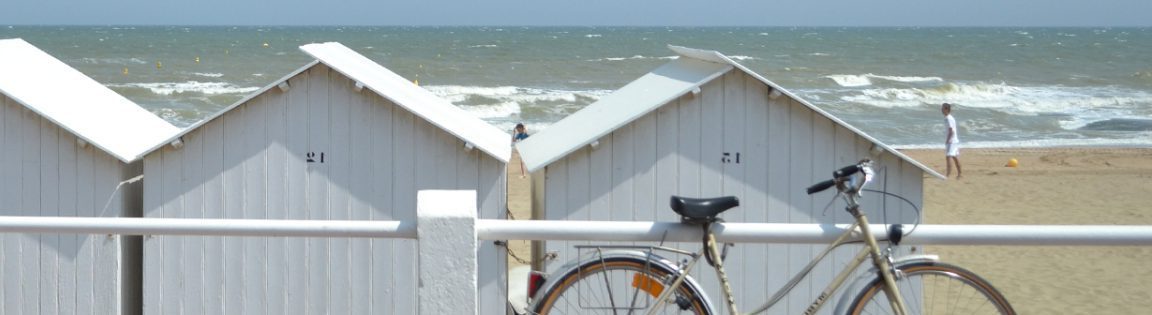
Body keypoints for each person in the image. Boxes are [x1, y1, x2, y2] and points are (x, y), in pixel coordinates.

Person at [942, 103, 962, 179]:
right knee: (954, 157)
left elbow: (951, 131)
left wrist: (948, 140)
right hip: (954, 140)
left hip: (952, 141)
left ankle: (948, 175)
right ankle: (960, 173)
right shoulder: (949, 118)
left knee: (948, 157)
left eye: (943, 109)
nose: (942, 110)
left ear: (946, 109)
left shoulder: (948, 118)